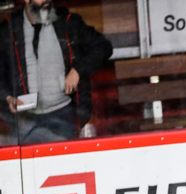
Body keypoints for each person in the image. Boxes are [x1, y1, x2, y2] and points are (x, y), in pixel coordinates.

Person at [0, 0, 112, 144]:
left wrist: (78, 70)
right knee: (24, 158)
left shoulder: (68, 23)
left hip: (61, 113)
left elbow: (103, 47)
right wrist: (8, 97)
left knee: (63, 156)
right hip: (24, 118)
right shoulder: (8, 30)